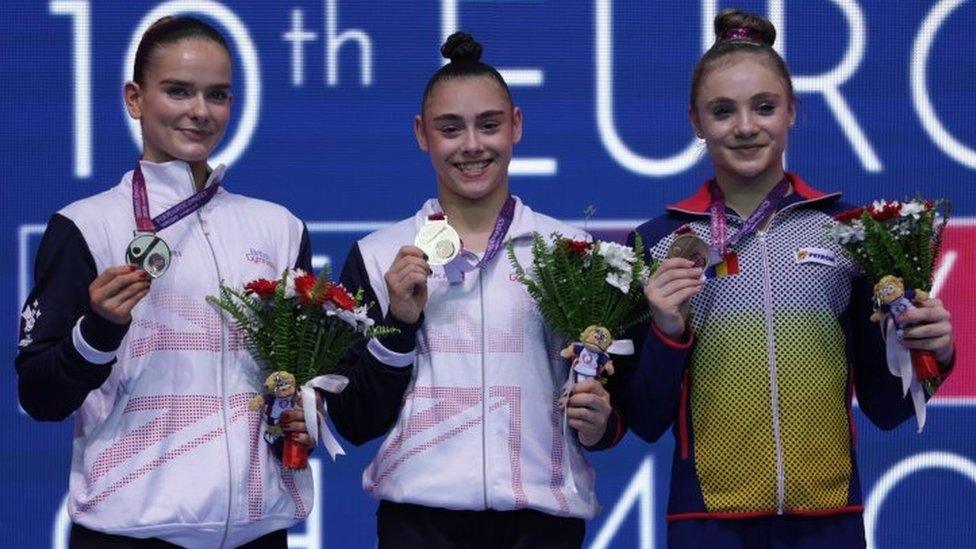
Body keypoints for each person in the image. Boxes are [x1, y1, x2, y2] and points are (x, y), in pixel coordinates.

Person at [619, 10, 955, 549]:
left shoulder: (851, 234)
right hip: (706, 525)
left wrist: (932, 353)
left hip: (830, 522)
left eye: (764, 106)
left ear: (792, 112)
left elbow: (887, 408)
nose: (746, 126)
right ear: (695, 122)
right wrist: (665, 330)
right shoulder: (657, 244)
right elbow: (646, 420)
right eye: (722, 111)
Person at [16, 16, 325, 548]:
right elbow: (40, 396)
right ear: (135, 99)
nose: (200, 111)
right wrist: (98, 330)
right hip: (129, 533)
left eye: (218, 94)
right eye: (178, 91)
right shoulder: (86, 226)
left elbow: (292, 377)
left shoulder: (279, 227)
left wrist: (304, 414)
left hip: (258, 532)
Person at [331, 32, 624, 548]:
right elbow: (352, 420)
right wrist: (399, 324)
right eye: (451, 128)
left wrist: (600, 421)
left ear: (516, 125)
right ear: (422, 134)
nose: (472, 145)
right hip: (418, 527)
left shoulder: (574, 254)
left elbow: (614, 406)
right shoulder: (380, 256)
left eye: (489, 125)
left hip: (542, 524)